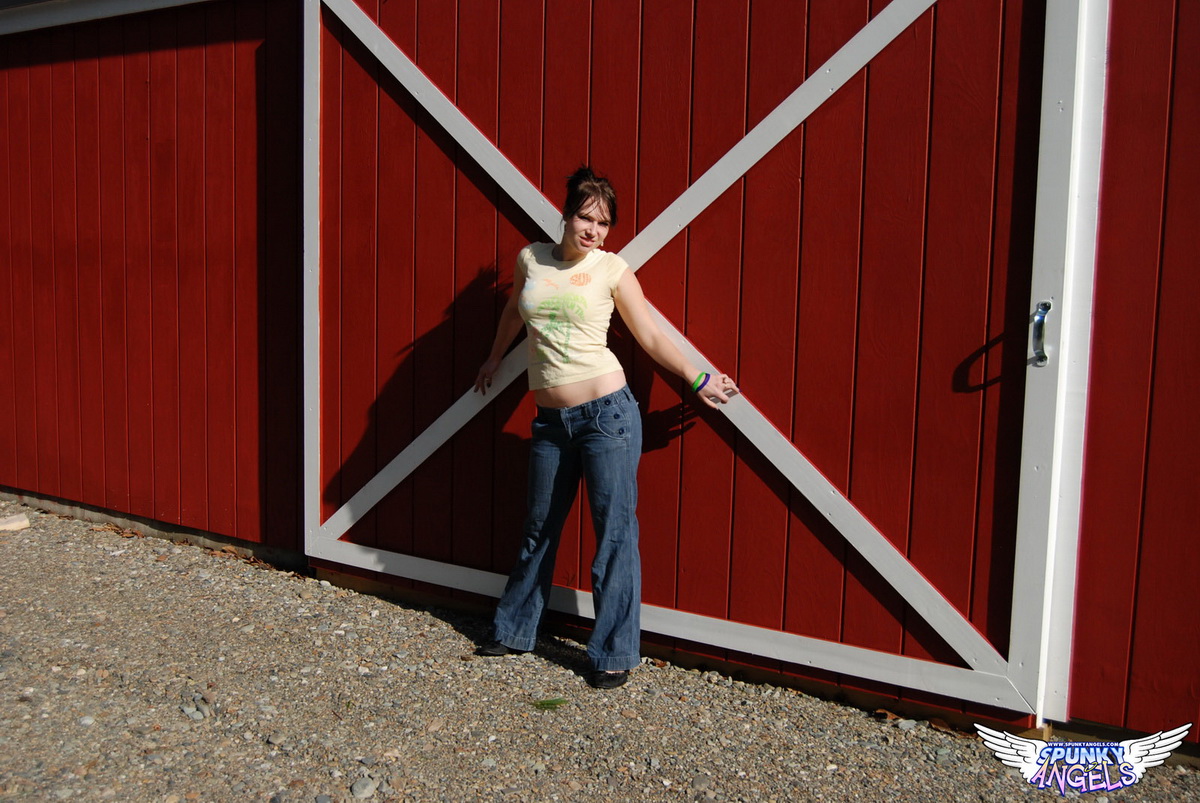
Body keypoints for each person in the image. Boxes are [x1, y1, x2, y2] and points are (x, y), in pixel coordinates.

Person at [473, 166, 737, 689]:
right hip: (550, 421)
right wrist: (493, 359)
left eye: (603, 222)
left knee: (613, 534)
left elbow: (649, 336)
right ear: (565, 215)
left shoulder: (612, 269)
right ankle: (515, 628)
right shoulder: (532, 258)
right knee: (538, 527)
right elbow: (512, 315)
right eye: (584, 217)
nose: (592, 229)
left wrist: (697, 376)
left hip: (607, 417)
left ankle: (613, 650)